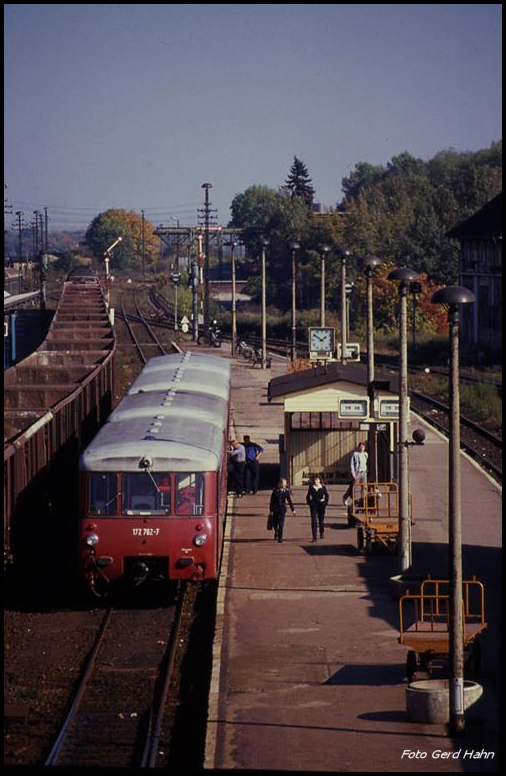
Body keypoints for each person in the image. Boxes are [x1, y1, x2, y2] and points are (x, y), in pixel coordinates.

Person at [269, 478, 296, 543]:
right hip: (275, 509)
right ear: (279, 484)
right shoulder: (275, 491)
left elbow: (289, 501)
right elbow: (272, 501)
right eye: (283, 484)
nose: (284, 485)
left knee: (281, 524)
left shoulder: (286, 491)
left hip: (282, 510)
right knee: (275, 523)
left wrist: (293, 510)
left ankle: (280, 538)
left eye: (285, 484)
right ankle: (276, 531)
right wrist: (271, 510)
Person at [342, 441, 368, 506]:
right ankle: (345, 497)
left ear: (364, 448)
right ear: (358, 447)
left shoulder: (365, 454)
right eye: (360, 446)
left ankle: (363, 501)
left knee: (364, 488)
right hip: (357, 473)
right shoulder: (355, 454)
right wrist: (353, 473)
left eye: (363, 447)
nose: (362, 448)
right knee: (353, 486)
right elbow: (352, 464)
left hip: (364, 473)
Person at [306, 474, 329, 541]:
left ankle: (321, 532)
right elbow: (308, 496)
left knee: (321, 520)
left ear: (319, 480)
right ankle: (314, 537)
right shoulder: (311, 487)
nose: (315, 481)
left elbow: (327, 496)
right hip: (313, 505)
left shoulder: (323, 487)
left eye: (317, 479)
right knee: (313, 520)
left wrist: (325, 503)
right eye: (314, 480)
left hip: (321, 505)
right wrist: (309, 503)